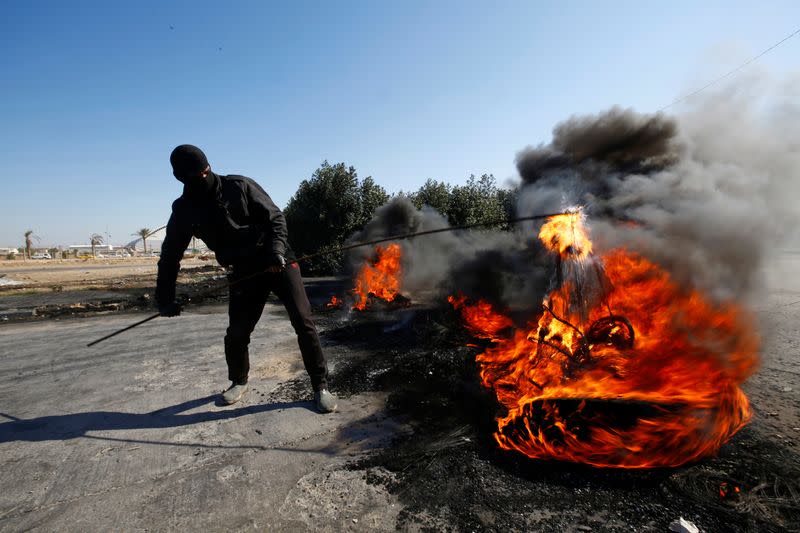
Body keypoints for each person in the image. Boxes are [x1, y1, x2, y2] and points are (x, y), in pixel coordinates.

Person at [155, 144, 337, 413]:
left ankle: (320, 386)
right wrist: (165, 298)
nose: (202, 178)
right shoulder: (184, 210)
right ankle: (238, 381)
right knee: (237, 332)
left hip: (278, 260)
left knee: (303, 320)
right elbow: (170, 256)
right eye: (194, 177)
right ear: (181, 178)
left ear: (208, 168)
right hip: (243, 270)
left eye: (205, 173)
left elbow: (276, 218)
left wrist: (276, 252)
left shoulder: (239, 186)